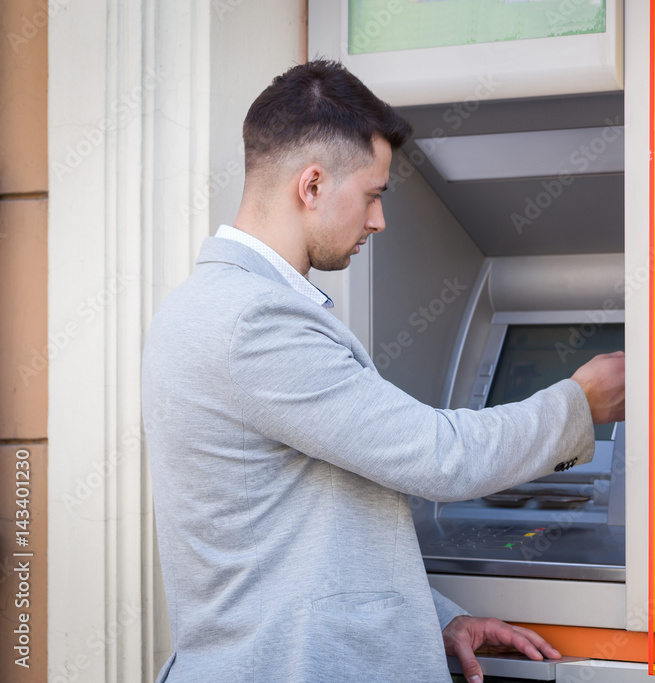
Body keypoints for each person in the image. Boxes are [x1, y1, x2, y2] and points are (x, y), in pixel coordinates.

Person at [141, 60, 626, 683]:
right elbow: (440, 457)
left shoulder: (205, 303)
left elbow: (295, 533)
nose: (379, 221)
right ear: (311, 186)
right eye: (372, 195)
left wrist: (435, 619)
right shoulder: (256, 321)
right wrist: (580, 403)